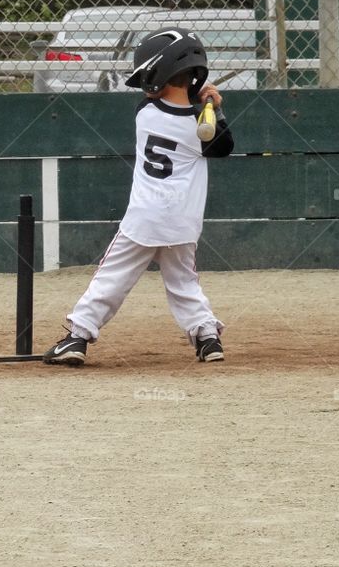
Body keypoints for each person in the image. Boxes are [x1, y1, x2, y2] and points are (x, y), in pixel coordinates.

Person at [43, 27, 234, 366]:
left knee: (112, 278)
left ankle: (78, 337)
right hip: (182, 223)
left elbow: (161, 100)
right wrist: (213, 106)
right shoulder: (199, 126)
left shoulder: (144, 114)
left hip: (143, 219)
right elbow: (222, 146)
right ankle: (207, 338)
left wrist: (195, 98)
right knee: (183, 282)